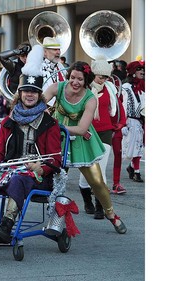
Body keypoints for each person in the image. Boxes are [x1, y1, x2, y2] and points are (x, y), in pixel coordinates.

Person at [0, 45, 62, 244]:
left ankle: (6, 226)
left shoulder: (50, 124)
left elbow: (55, 159)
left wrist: (40, 167)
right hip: (9, 172)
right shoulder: (8, 121)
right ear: (19, 93)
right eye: (26, 91)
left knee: (19, 179)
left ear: (39, 95)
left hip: (36, 177)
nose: (29, 95)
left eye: (34, 92)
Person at [43, 60, 127, 234]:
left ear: (86, 80)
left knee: (96, 181)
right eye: (73, 77)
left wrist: (55, 127)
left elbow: (81, 129)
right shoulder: (56, 87)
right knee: (54, 180)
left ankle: (112, 215)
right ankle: (54, 219)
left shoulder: (90, 98)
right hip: (57, 139)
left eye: (80, 79)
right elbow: (36, 104)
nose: (75, 82)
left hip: (81, 139)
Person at [77, 55, 122, 220]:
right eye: (100, 76)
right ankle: (87, 200)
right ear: (93, 74)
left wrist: (119, 125)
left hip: (105, 132)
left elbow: (117, 109)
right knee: (86, 172)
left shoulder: (111, 89)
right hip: (87, 132)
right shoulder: (84, 90)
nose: (103, 79)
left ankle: (99, 205)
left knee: (100, 170)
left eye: (105, 77)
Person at [121, 59, 145, 182]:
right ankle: (133, 168)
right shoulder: (126, 87)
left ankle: (136, 170)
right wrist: (123, 123)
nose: (142, 71)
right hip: (130, 121)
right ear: (133, 72)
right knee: (131, 147)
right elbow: (124, 105)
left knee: (139, 146)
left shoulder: (142, 87)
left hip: (140, 121)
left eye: (143, 69)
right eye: (139, 69)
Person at [41, 37, 68, 106]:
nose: (58, 52)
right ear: (45, 52)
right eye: (54, 49)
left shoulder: (61, 67)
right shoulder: (37, 68)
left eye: (59, 49)